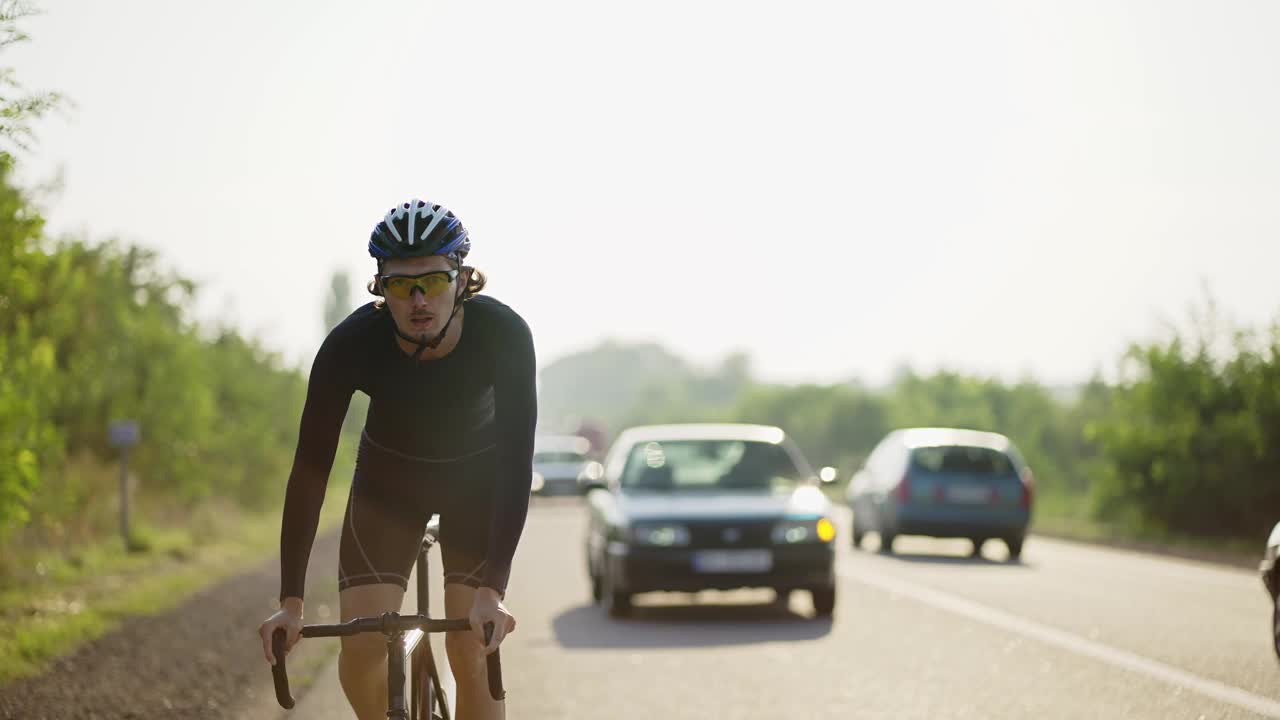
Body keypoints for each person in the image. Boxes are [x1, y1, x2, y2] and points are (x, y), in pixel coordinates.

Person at [257, 199, 536, 720]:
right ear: (379, 288)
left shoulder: (504, 335)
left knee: (470, 650)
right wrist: (290, 603)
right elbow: (310, 471)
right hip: (389, 486)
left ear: (462, 278)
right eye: (397, 285)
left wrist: (492, 591)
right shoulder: (350, 345)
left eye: (431, 281)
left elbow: (518, 463)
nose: (416, 299)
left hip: (478, 484)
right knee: (361, 653)